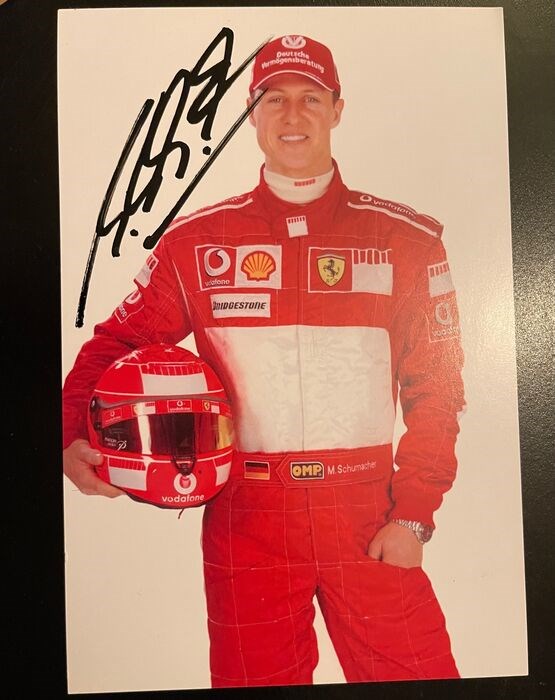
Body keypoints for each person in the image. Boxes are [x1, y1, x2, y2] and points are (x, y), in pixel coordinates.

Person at [63, 34, 465, 687]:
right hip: (246, 519)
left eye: (311, 98)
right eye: (273, 99)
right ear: (251, 113)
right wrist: (71, 435)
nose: (292, 115)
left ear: (337, 109)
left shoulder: (406, 240)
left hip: (369, 513)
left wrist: (414, 514)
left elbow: (438, 390)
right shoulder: (197, 242)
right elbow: (113, 343)